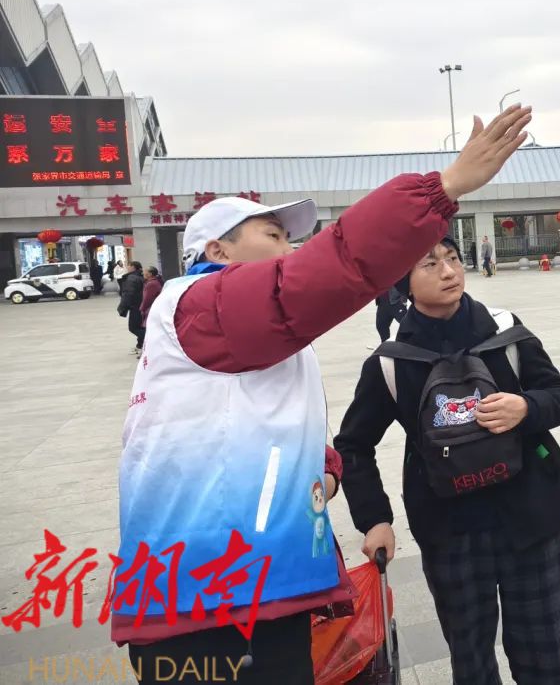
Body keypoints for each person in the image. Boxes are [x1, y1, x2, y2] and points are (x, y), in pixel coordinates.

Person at [112, 105, 532, 683]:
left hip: (245, 590)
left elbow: (252, 424)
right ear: (217, 251)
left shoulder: (234, 325)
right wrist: (443, 189)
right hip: (208, 602)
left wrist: (322, 468)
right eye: (273, 235)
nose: (289, 249)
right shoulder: (203, 304)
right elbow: (330, 267)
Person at [336, 235, 560, 685]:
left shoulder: (505, 332)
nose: (448, 271)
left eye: (451, 258)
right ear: (404, 284)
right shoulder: (391, 363)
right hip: (450, 533)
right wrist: (374, 519)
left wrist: (526, 408)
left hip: (530, 520)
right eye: (429, 264)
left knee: (545, 658)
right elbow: (353, 445)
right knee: (471, 664)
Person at [118, 261, 145, 356]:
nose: (127, 267)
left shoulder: (132, 278)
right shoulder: (140, 276)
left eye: (128, 266)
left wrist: (123, 307)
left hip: (135, 306)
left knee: (133, 328)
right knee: (140, 326)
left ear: (133, 267)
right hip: (141, 305)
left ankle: (149, 341)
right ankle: (140, 345)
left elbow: (128, 293)